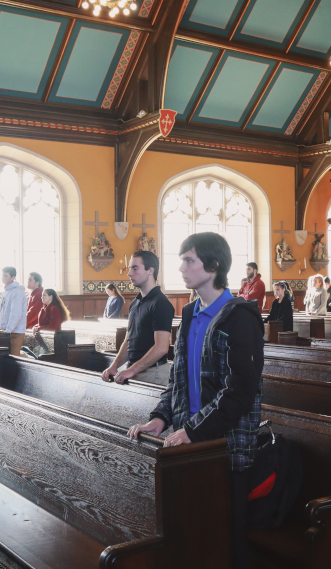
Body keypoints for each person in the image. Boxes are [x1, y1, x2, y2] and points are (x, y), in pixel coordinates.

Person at [127, 232, 263, 569]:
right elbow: (178, 376)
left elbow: (240, 392)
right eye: (182, 260)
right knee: (195, 535)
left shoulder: (241, 316)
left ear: (213, 265)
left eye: (189, 260)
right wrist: (160, 417)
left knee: (228, 538)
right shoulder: (189, 313)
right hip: (192, 443)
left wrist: (193, 431)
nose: (182, 267)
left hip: (226, 445)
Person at [102, 251, 174, 385]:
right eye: (130, 269)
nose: (129, 273)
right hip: (134, 370)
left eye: (135, 268)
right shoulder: (136, 302)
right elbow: (129, 340)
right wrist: (114, 366)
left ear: (150, 271)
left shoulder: (160, 303)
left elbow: (161, 348)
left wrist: (131, 370)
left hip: (153, 373)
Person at [0, 267, 28, 356]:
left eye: (6, 275)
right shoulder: (5, 292)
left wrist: (8, 331)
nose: (3, 277)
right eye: (2, 275)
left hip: (15, 332)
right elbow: (0, 314)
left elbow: (16, 314)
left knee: (14, 359)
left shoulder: (17, 292)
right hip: (6, 332)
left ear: (13, 277)